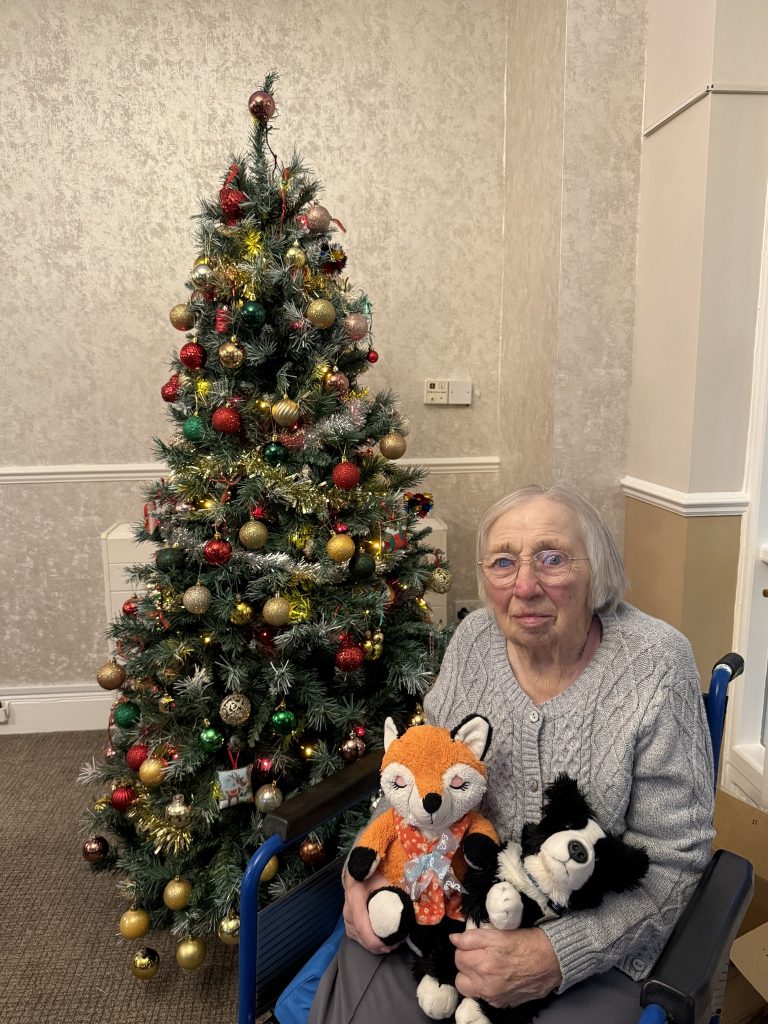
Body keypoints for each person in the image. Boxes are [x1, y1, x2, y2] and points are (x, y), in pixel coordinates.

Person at [309, 483, 715, 1023]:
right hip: (446, 915)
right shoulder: (473, 639)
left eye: (552, 559)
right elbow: (414, 774)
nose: (524, 586)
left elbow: (675, 859)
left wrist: (558, 953)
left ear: (599, 571)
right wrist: (370, 875)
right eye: (503, 562)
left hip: (595, 948)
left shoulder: (657, 664)